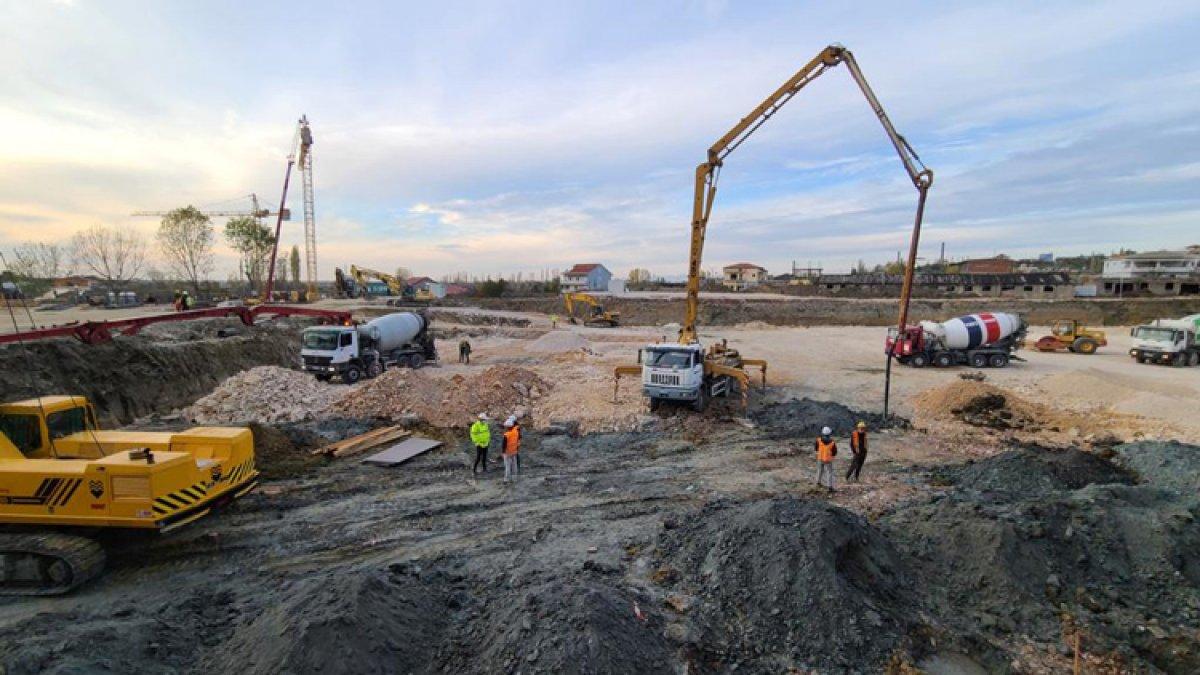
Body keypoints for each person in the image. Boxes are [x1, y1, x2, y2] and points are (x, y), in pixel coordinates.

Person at [814, 426, 837, 492]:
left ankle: (818, 482)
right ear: (829, 434)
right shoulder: (832, 442)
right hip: (828, 459)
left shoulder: (818, 440)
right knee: (829, 473)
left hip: (820, 458)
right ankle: (830, 487)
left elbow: (816, 448)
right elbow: (834, 452)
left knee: (819, 470)